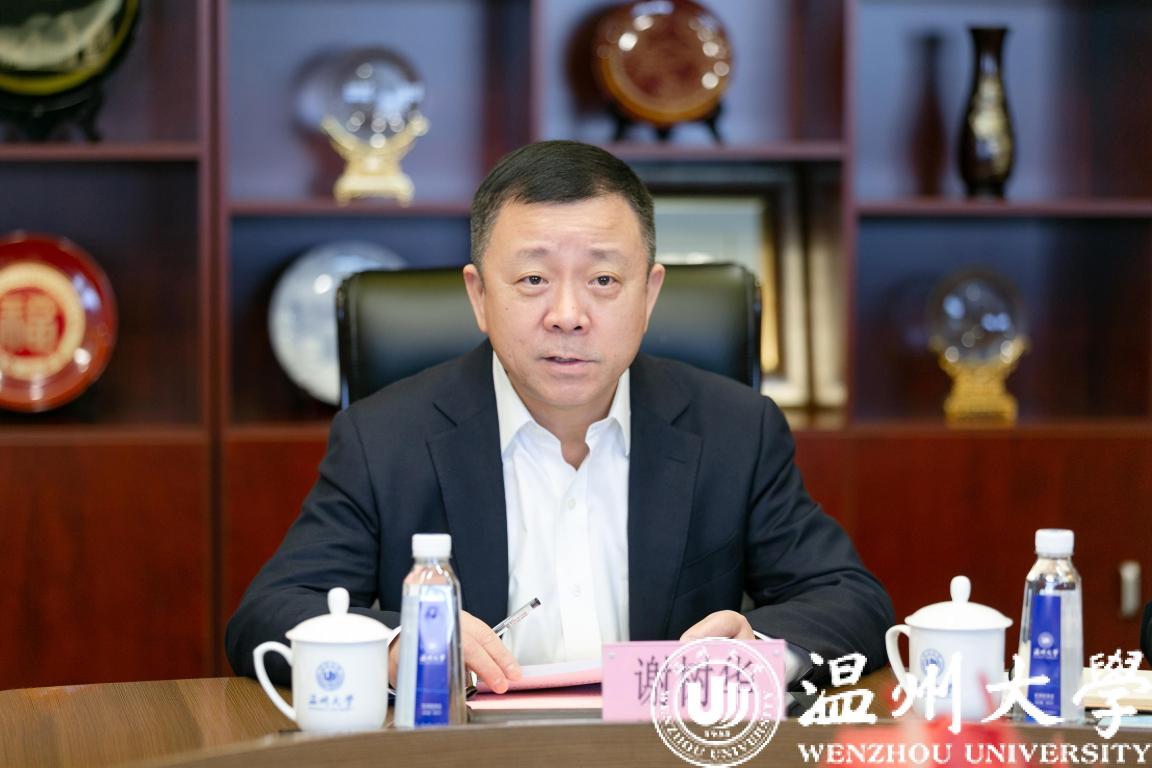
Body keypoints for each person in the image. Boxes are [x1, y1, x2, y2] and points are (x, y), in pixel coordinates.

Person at [226, 140, 894, 692]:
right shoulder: (385, 438)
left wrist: (759, 654)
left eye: (603, 280)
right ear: (479, 296)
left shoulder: (734, 430)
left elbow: (851, 601)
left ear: (648, 294)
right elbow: (268, 616)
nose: (568, 315)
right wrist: (400, 646)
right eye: (533, 280)